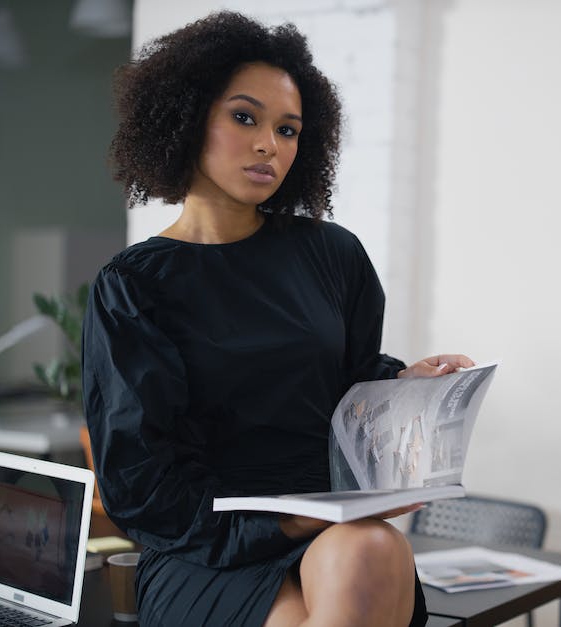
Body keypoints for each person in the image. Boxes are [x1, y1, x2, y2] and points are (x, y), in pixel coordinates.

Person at [82, 12, 474, 627]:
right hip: (203, 547)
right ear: (187, 119)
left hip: (331, 523)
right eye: (245, 118)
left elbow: (349, 381)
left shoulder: (333, 255)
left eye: (288, 129)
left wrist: (403, 385)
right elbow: (139, 485)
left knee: (372, 550)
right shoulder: (133, 287)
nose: (270, 144)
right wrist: (292, 517)